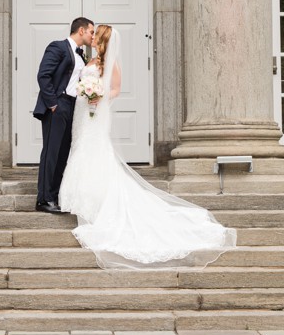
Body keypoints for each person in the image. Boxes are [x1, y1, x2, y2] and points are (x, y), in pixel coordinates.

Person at [59, 25, 237, 268]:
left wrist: (98, 96)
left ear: (100, 39)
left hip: (95, 113)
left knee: (94, 150)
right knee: (80, 148)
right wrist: (85, 93)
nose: (91, 36)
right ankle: (81, 196)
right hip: (82, 113)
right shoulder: (89, 60)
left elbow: (116, 89)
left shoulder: (111, 64)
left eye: (95, 33)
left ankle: (96, 199)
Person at [33, 17, 95, 214]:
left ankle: (55, 195)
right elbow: (43, 75)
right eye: (91, 32)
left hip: (73, 107)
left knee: (62, 153)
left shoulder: (82, 55)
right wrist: (53, 104)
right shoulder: (58, 47)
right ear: (81, 30)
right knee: (51, 152)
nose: (92, 36)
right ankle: (43, 199)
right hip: (57, 105)